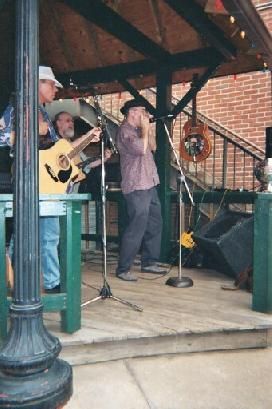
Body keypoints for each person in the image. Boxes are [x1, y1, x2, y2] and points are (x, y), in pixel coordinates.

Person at [0, 66, 101, 293]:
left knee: (43, 235)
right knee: (36, 234)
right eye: (51, 84)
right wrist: (32, 130)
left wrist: (87, 138)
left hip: (47, 182)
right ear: (37, 83)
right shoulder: (19, 107)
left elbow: (60, 153)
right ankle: (31, 281)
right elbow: (1, 137)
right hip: (28, 180)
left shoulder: (43, 112)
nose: (56, 90)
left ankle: (41, 282)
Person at [115, 99, 167, 281]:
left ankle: (149, 262)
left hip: (150, 182)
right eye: (143, 112)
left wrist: (148, 129)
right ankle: (123, 268)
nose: (145, 116)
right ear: (132, 112)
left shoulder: (139, 130)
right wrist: (144, 130)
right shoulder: (125, 131)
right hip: (136, 185)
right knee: (137, 227)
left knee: (155, 222)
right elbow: (140, 149)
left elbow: (152, 147)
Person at [53, 111, 111, 193]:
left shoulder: (75, 144)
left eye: (72, 121)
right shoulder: (54, 142)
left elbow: (87, 163)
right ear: (58, 123)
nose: (71, 124)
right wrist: (88, 138)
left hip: (74, 189)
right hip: (58, 189)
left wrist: (104, 158)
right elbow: (68, 148)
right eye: (68, 121)